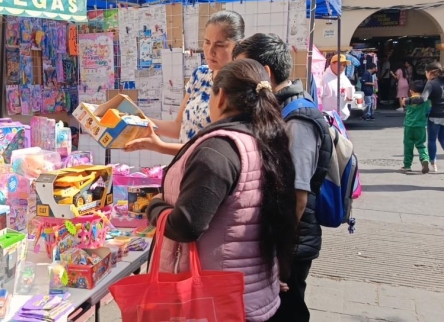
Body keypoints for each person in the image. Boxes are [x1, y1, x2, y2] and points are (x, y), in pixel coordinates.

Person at [146, 59, 298, 322]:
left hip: (213, 302)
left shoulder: (217, 150)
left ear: (221, 97)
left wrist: (155, 206)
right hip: (251, 293)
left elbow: (185, 225)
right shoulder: (265, 141)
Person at [233, 33, 332, 322]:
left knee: (287, 312)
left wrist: (278, 259)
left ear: (265, 72)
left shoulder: (298, 119)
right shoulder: (281, 110)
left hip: (292, 244)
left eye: (244, 70)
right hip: (284, 241)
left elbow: (297, 197)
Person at [125, 10, 245, 155]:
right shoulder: (200, 75)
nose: (210, 51)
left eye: (220, 45)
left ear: (238, 45)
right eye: (207, 42)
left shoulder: (239, 86)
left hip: (210, 169)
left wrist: (161, 147)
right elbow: (178, 127)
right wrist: (135, 121)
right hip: (185, 168)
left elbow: (217, 151)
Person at [404, 62, 444, 172]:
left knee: (432, 140)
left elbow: (422, 99)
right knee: (442, 138)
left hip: (435, 115)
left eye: (426, 72)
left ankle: (433, 163)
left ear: (430, 72)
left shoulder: (431, 83)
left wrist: (408, 100)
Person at [400, 80, 430, 173]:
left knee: (408, 145)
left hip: (409, 126)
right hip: (420, 126)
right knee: (421, 144)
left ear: (411, 91)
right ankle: (424, 158)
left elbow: (403, 104)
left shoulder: (408, 100)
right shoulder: (426, 101)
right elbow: (428, 111)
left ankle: (407, 165)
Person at [321, 54, 352, 120]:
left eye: (344, 65)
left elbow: (350, 89)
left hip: (342, 117)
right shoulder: (324, 79)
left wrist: (350, 97)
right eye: (339, 64)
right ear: (332, 64)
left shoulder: (344, 78)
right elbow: (319, 98)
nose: (342, 67)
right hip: (328, 118)